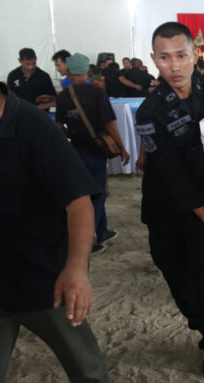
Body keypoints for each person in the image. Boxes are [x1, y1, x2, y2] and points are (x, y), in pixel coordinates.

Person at [0, 35, 112, 383]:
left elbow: (78, 201)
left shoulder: (33, 127)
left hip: (45, 279)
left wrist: (76, 269)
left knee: (88, 373)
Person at [136, 22, 204, 383]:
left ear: (195, 55)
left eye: (181, 55)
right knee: (175, 277)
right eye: (164, 57)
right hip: (166, 210)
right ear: (153, 60)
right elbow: (175, 180)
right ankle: (203, 323)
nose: (174, 66)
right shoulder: (149, 112)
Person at [55, 53, 129, 253]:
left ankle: (102, 230)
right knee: (97, 194)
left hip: (77, 149)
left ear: (69, 72)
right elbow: (109, 124)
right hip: (97, 149)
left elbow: (59, 126)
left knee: (91, 191)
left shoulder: (62, 97)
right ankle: (89, 240)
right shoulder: (96, 92)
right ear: (88, 71)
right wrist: (122, 147)